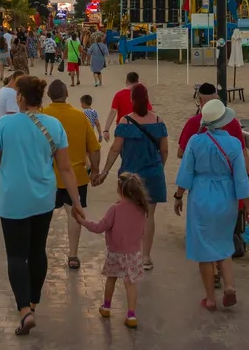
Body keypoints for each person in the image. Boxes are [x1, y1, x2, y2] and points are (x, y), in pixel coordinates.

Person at [0, 76, 85, 336]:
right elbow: (65, 168)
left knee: (16, 255)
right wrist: (76, 201)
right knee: (37, 251)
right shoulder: (54, 125)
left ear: (21, 98)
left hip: (13, 198)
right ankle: (34, 303)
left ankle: (25, 310)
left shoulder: (5, 124)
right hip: (43, 198)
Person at [175, 99, 249, 310]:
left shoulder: (195, 142)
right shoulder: (234, 144)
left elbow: (186, 173)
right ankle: (229, 286)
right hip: (226, 197)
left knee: (204, 248)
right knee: (224, 243)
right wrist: (247, 205)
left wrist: (178, 196)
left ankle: (210, 299)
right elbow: (241, 179)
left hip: (201, 196)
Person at [95, 83, 166, 270]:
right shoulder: (159, 121)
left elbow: (115, 150)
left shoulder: (125, 122)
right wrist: (159, 168)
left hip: (130, 177)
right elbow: (165, 150)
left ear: (132, 100)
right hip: (153, 174)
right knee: (149, 216)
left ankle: (129, 253)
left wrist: (105, 172)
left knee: (129, 214)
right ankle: (146, 257)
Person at [43, 80, 101, 269]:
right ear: (67, 93)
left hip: (46, 175)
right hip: (75, 175)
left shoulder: (42, 115)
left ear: (48, 95)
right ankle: (73, 255)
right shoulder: (79, 116)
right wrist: (95, 170)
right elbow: (94, 148)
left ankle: (39, 250)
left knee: (43, 214)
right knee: (74, 213)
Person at [79, 172, 149, 329]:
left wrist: (83, 221)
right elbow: (142, 231)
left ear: (120, 189)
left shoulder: (115, 209)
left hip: (116, 252)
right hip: (134, 253)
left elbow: (99, 227)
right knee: (131, 283)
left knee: (111, 278)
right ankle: (131, 315)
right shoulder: (142, 209)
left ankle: (106, 307)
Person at [103, 72, 152, 138]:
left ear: (126, 81)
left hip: (123, 128)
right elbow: (151, 111)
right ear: (137, 81)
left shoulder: (119, 95)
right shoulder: (141, 94)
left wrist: (106, 130)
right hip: (139, 128)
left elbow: (113, 112)